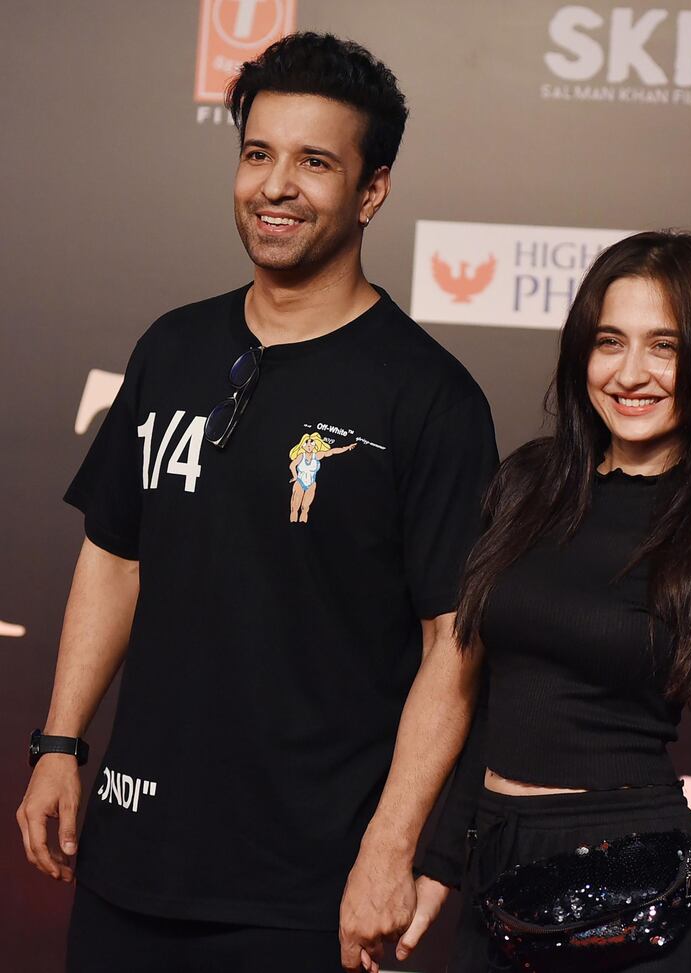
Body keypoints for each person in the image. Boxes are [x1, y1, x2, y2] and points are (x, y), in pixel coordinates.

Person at [15, 32, 497, 973]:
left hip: (304, 893)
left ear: (372, 189)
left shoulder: (429, 397)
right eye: (258, 153)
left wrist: (391, 848)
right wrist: (61, 740)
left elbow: (455, 644)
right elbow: (115, 556)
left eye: (315, 162)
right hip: (130, 861)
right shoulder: (172, 347)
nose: (276, 185)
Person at [384, 230, 691, 973]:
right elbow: (485, 697)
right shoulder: (526, 485)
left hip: (633, 887)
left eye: (664, 346)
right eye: (611, 340)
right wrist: (437, 865)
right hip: (498, 869)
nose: (630, 372)